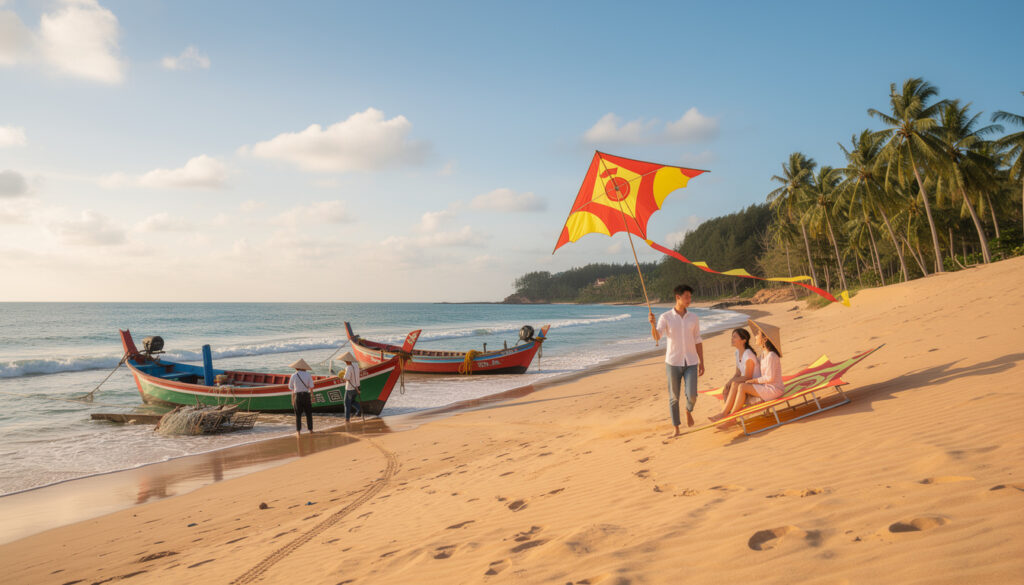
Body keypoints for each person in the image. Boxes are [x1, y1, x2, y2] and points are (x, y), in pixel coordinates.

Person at [648, 284, 704, 436]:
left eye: (690, 297)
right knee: (674, 397)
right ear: (677, 298)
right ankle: (676, 427)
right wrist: (652, 324)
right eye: (686, 297)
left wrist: (702, 362)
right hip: (673, 362)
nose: (689, 300)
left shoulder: (693, 317)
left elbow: (698, 339)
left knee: (692, 395)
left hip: (691, 361)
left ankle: (688, 409)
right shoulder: (666, 317)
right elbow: (657, 336)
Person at [717, 320, 784, 424]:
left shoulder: (771, 355)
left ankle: (732, 418)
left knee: (742, 386)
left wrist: (753, 381)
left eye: (758, 335)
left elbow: (769, 378)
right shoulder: (763, 355)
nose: (755, 336)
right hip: (766, 387)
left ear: (765, 339)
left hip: (774, 389)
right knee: (739, 386)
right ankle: (727, 415)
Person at [710, 328, 762, 421]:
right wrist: (728, 384)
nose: (732, 339)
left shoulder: (748, 355)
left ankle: (724, 414)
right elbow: (737, 373)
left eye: (734, 337)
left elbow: (748, 376)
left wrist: (731, 382)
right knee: (726, 389)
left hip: (755, 385)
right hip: (746, 383)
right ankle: (727, 415)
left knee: (733, 384)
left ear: (743, 340)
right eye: (732, 336)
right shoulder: (737, 353)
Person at [288, 358, 315, 435]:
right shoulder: (308, 375)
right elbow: (311, 386)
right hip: (306, 395)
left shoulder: (293, 375)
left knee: (298, 415)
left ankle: (298, 431)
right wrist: (312, 397)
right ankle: (310, 430)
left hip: (298, 396)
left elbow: (291, 388)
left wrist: (292, 399)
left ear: (296, 367)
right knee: (309, 414)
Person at [339, 352, 363, 422]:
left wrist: (342, 377)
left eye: (345, 361)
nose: (345, 362)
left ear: (347, 361)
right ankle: (359, 409)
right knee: (352, 401)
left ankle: (347, 419)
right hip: (357, 387)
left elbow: (346, 378)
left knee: (346, 403)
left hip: (350, 388)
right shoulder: (356, 365)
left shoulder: (348, 367)